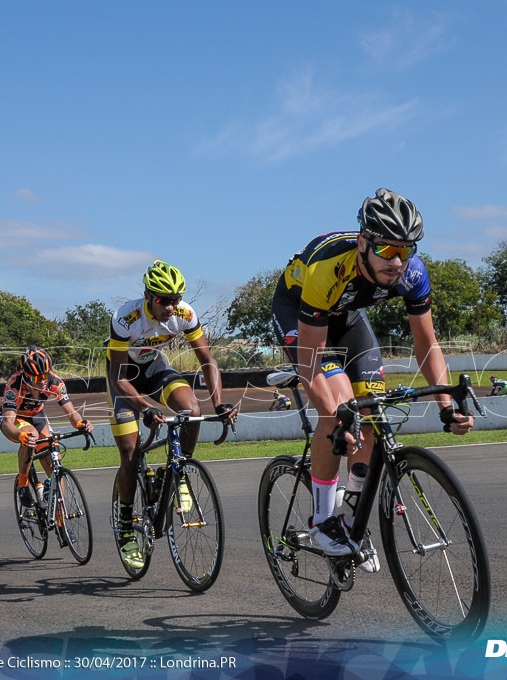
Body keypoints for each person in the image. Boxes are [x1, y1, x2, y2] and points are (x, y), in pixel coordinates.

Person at [271, 187, 473, 570]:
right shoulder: (327, 269)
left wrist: (446, 406)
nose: (397, 261)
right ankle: (322, 520)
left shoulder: (413, 273)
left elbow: (427, 343)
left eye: (405, 250)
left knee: (373, 414)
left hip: (346, 316)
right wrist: (335, 419)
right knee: (339, 413)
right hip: (301, 309)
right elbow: (310, 362)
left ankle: (351, 515)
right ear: (363, 243)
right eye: (386, 250)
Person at [107, 259, 238, 570]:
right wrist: (145, 408)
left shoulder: (184, 314)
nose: (171, 306)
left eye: (176, 299)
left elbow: (207, 360)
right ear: (149, 295)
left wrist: (218, 403)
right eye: (165, 300)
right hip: (125, 379)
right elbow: (118, 378)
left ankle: (176, 471)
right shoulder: (126, 318)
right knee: (129, 453)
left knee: (192, 409)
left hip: (155, 369)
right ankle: (126, 526)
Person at [0, 346, 94, 507]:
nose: (43, 381)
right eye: (37, 378)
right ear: (27, 377)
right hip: (15, 418)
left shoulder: (55, 382)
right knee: (31, 435)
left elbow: (71, 412)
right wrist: (20, 435)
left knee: (54, 458)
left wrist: (80, 423)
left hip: (37, 415)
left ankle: (60, 519)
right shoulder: (14, 384)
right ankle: (23, 484)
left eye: (45, 375)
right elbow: (8, 422)